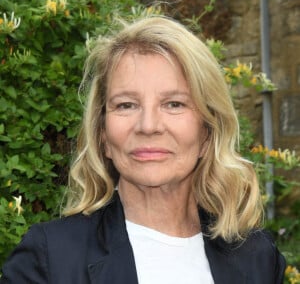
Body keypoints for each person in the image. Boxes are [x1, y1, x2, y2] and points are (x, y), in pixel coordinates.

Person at [1, 16, 285, 284]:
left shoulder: (258, 258)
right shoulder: (50, 259)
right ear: (102, 134)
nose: (148, 126)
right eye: (126, 105)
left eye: (174, 104)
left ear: (207, 132)